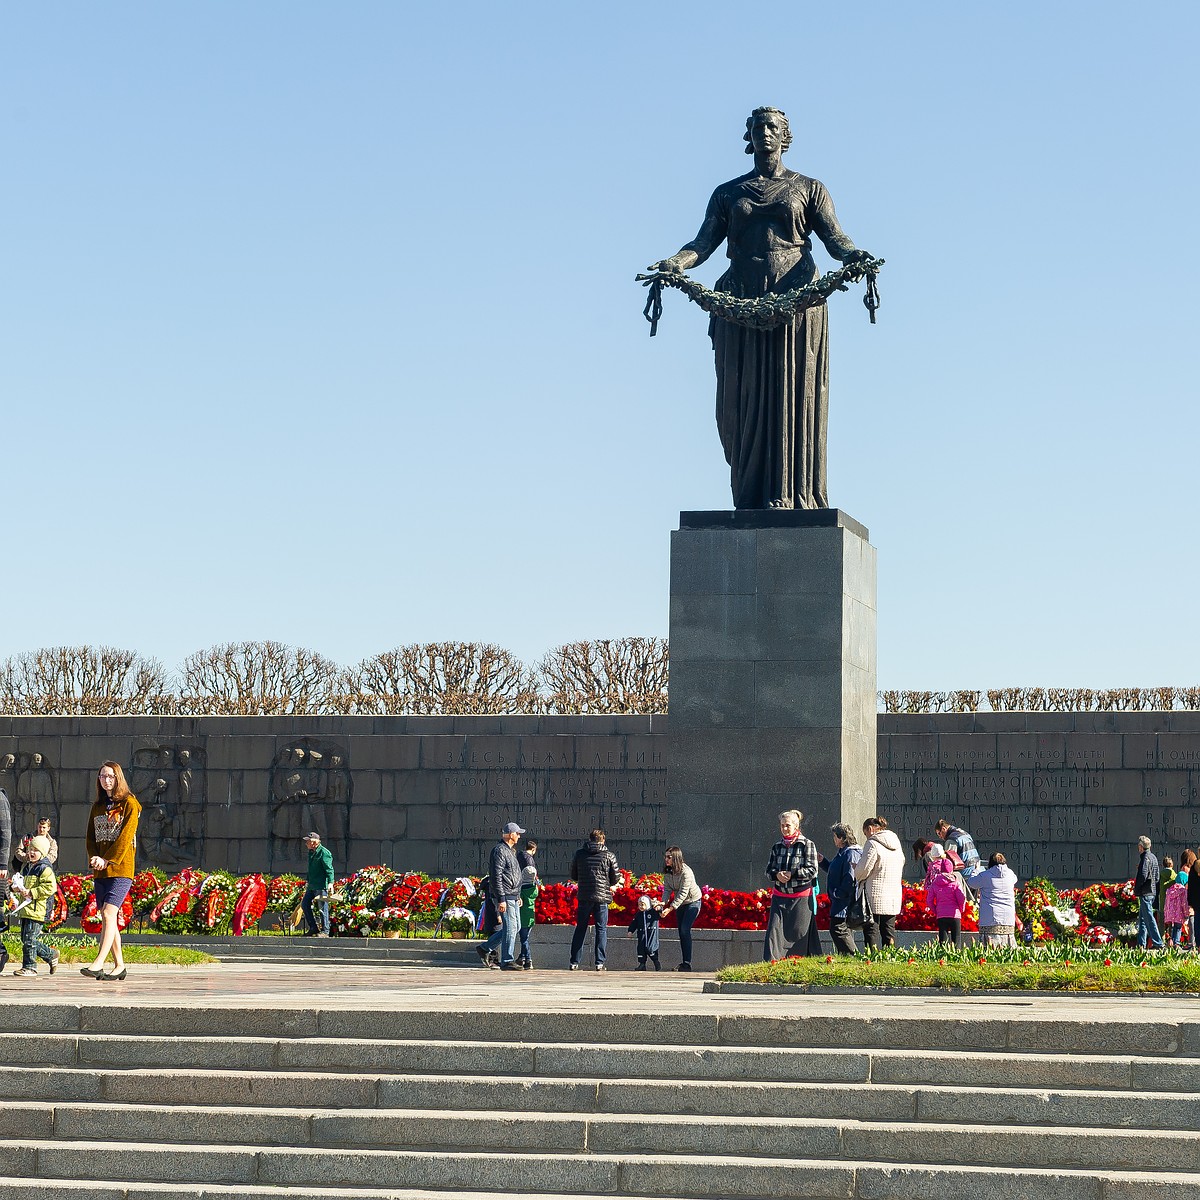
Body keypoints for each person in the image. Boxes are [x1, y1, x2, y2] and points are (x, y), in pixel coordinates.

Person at [648, 106, 873, 510]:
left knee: (791, 394)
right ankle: (749, 493)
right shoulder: (728, 193)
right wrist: (674, 263)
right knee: (739, 402)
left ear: (784, 137)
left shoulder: (809, 187)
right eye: (757, 127)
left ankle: (788, 491)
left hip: (796, 300)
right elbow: (702, 244)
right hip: (740, 301)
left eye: (772, 127)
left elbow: (835, 238)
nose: (764, 133)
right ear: (748, 137)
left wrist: (855, 256)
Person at [81, 761, 141, 982]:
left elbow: (125, 839)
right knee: (109, 918)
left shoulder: (129, 804)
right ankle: (119, 966)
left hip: (121, 868)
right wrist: (95, 858)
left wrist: (108, 860)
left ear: (118, 778)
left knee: (108, 913)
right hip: (101, 870)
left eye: (110, 776)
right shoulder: (97, 806)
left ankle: (98, 963)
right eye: (102, 776)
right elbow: (90, 837)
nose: (106, 780)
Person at [762, 810, 819, 961]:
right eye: (782, 826)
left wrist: (792, 874)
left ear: (796, 826)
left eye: (787, 825)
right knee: (773, 932)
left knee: (799, 934)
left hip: (800, 897)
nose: (784, 829)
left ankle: (796, 964)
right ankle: (771, 964)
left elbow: (812, 870)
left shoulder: (807, 844)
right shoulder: (777, 847)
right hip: (779, 896)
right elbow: (768, 871)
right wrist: (777, 875)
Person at [569, 828, 620, 971]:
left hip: (584, 895)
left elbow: (574, 875)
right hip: (602, 897)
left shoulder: (579, 854)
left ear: (589, 839)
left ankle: (574, 961)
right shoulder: (609, 855)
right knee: (601, 929)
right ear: (603, 840)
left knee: (581, 928)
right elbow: (615, 878)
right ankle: (599, 962)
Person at [10, 835, 59, 977]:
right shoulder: (28, 868)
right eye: (30, 849)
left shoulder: (44, 868)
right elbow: (24, 884)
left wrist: (32, 892)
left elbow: (50, 887)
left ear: (42, 852)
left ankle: (30, 967)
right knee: (26, 939)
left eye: (35, 850)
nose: (31, 852)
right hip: (26, 909)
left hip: (37, 910)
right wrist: (16, 888)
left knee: (30, 940)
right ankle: (51, 954)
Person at [479, 821, 524, 972]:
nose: (519, 836)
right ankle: (507, 960)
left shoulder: (510, 851)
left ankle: (485, 948)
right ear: (511, 835)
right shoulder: (499, 850)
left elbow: (513, 874)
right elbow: (496, 876)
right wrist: (501, 899)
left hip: (512, 894)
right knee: (510, 927)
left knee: (515, 927)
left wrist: (517, 895)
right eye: (517, 833)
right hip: (505, 894)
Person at [854, 816, 903, 949]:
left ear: (870, 829)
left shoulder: (872, 843)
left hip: (874, 894)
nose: (866, 837)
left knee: (871, 929)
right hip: (893, 895)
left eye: (865, 833)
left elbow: (863, 870)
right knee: (888, 930)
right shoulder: (897, 845)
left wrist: (855, 869)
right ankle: (890, 956)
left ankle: (872, 958)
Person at [821, 823, 862, 956]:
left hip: (844, 902)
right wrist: (823, 862)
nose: (834, 840)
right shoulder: (843, 853)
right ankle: (846, 956)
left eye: (835, 836)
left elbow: (850, 877)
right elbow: (835, 872)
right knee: (840, 929)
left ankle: (853, 956)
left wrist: (839, 894)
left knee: (838, 929)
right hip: (840, 902)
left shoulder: (851, 853)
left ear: (842, 838)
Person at [660, 846, 702, 972]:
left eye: (669, 857)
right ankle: (685, 963)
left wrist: (670, 908)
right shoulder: (668, 871)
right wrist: (662, 903)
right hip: (680, 904)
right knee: (681, 932)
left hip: (693, 902)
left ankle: (687, 963)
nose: (666, 859)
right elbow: (667, 889)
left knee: (685, 929)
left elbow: (683, 892)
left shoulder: (686, 871)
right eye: (665, 856)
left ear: (676, 857)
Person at [970, 852, 1020, 948]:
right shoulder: (1010, 874)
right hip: (1007, 916)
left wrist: (976, 870)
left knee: (989, 948)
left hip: (990, 915)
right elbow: (1015, 879)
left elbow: (972, 883)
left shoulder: (984, 875)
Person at [926, 857, 967, 946]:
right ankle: (956, 957)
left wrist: (936, 910)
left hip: (941, 915)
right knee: (956, 940)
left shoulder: (935, 883)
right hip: (955, 914)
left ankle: (942, 958)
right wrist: (961, 909)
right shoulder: (955, 882)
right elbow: (961, 898)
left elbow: (929, 900)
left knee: (943, 940)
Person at [516, 837, 542, 971]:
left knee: (523, 938)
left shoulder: (519, 892)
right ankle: (523, 958)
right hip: (531, 916)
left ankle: (527, 959)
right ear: (533, 849)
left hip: (522, 915)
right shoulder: (535, 890)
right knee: (525, 938)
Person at [302, 831, 334, 938]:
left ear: (314, 842)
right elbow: (310, 869)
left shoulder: (324, 853)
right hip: (312, 885)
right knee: (305, 904)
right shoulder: (312, 852)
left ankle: (325, 931)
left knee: (322, 908)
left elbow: (329, 869)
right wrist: (307, 881)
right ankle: (313, 928)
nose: (306, 843)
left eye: (308, 841)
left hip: (321, 885)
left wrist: (330, 883)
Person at [1134, 835, 1164, 950]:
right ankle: (1141, 944)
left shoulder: (1145, 858)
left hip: (1145, 892)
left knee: (1149, 918)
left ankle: (1158, 943)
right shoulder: (1153, 857)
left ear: (1141, 847)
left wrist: (1137, 888)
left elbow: (1143, 875)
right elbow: (1156, 877)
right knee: (1142, 919)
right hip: (1151, 892)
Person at [628, 895, 661, 971]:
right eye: (639, 905)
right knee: (641, 949)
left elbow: (660, 911)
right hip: (641, 935)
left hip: (651, 935)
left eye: (642, 904)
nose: (640, 906)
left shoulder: (653, 912)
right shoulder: (638, 915)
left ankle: (656, 961)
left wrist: (658, 907)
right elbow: (634, 923)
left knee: (650, 949)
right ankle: (642, 964)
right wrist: (630, 931)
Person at [1163, 864, 1189, 948]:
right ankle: (1176, 943)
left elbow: (1166, 903)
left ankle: (1171, 941)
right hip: (1179, 914)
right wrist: (1186, 914)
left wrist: (1166, 913)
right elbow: (1184, 903)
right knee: (1178, 928)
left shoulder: (1170, 889)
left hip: (1170, 914)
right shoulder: (1183, 890)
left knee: (1173, 928)